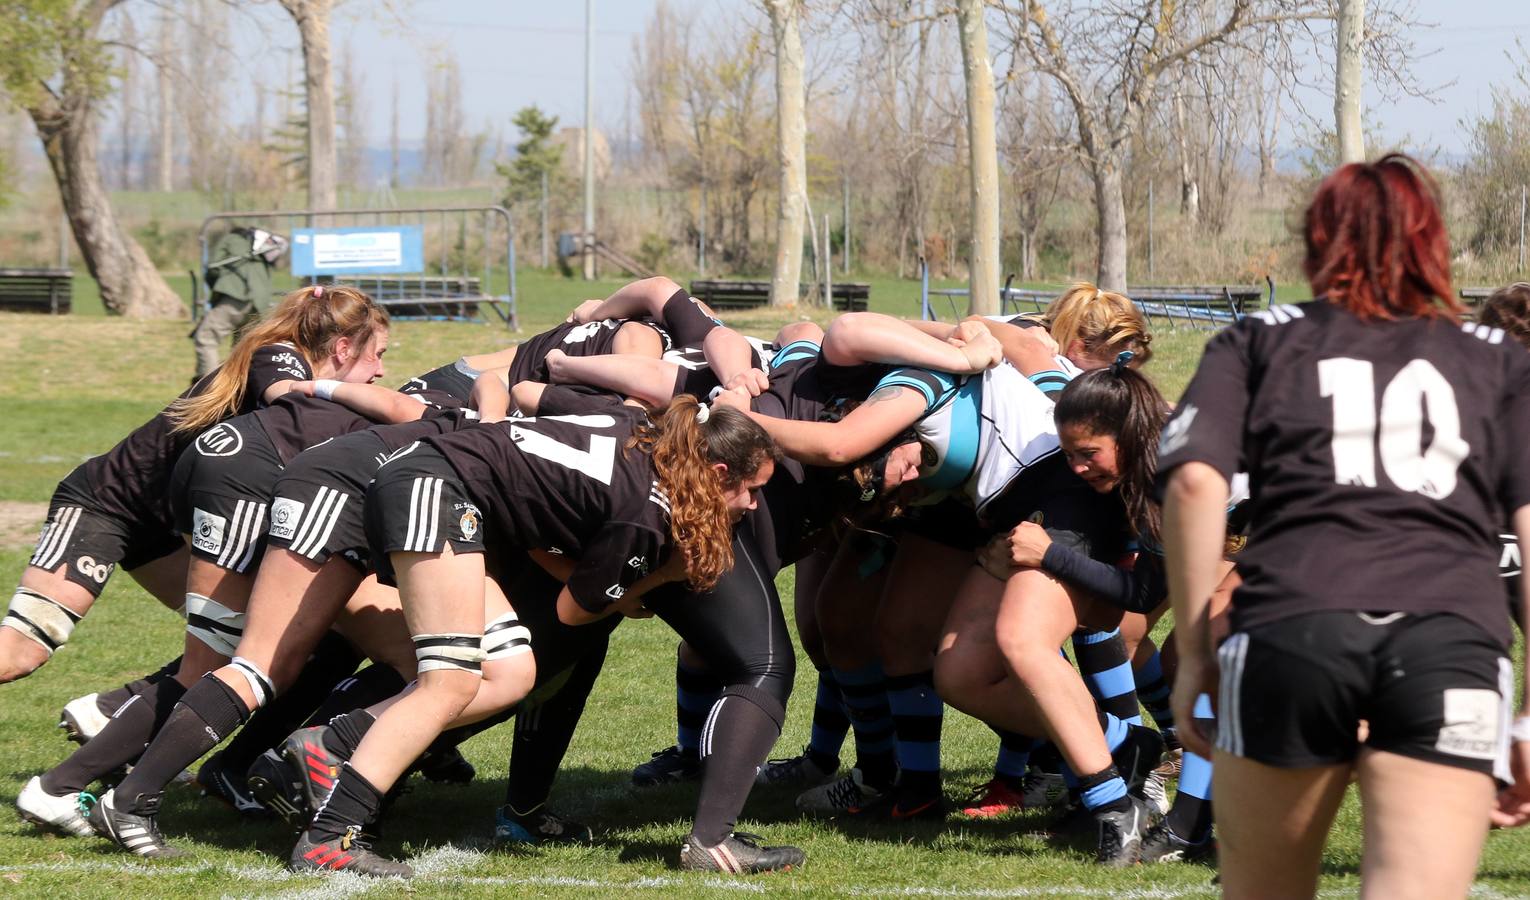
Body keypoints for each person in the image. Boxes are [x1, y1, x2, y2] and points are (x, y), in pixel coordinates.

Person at [1160, 154, 1530, 899]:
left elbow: (1196, 480)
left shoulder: (1257, 339)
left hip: (1290, 629)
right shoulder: (1499, 360)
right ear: (1436, 243)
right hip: (1448, 640)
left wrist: (1196, 652)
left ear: (1317, 241)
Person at [284, 395, 779, 877]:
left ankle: (335, 739)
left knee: (511, 673)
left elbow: (537, 513)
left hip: (432, 481)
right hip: (434, 489)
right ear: (716, 474)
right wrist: (662, 576)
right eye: (752, 490)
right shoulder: (644, 513)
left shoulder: (643, 435)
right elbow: (572, 612)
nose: (754, 505)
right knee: (450, 683)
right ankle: (329, 836)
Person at [2, 284, 387, 686]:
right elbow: (285, 398)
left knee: (237, 649)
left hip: (166, 527)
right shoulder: (280, 356)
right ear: (343, 348)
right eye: (377, 355)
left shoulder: (303, 374)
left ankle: (110, 713)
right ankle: (114, 712)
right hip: (107, 505)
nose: (380, 371)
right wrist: (395, 411)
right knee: (22, 651)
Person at [191, 228, 289, 379]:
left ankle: (209, 387)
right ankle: (240, 385)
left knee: (206, 337)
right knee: (243, 348)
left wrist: (217, 287)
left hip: (235, 296)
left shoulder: (231, 239)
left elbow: (213, 268)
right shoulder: (264, 247)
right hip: (259, 303)